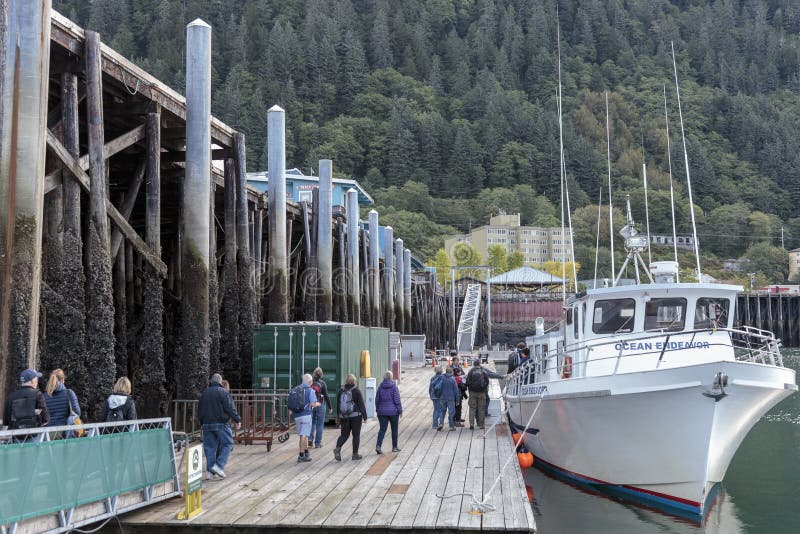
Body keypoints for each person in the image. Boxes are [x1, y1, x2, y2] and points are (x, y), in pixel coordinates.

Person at [198, 373, 241, 479]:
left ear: (211, 382)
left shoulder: (204, 393)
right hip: (221, 423)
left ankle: (210, 472)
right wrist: (237, 420)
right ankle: (219, 466)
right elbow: (230, 408)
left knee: (210, 448)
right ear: (220, 382)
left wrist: (201, 423)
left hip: (206, 424)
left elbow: (200, 410)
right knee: (228, 444)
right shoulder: (223, 392)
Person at [3, 369, 49, 435]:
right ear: (32, 381)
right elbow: (46, 418)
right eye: (36, 379)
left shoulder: (11, 397)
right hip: (34, 436)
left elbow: (6, 421)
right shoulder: (37, 394)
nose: (37, 381)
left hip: (16, 436)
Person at [333, 373, 367, 461]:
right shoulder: (356, 390)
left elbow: (338, 404)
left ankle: (337, 448)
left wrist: (338, 416)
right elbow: (361, 404)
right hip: (356, 417)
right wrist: (365, 416)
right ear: (354, 381)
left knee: (344, 435)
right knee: (356, 435)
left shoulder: (341, 391)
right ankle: (355, 454)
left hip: (344, 417)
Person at [290, 373, 321, 463]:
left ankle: (306, 452)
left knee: (303, 435)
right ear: (310, 381)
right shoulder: (310, 391)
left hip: (296, 416)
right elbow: (313, 404)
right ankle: (301, 455)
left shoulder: (295, 389)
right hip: (306, 415)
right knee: (304, 435)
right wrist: (318, 403)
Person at [43, 369, 80, 433]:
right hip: (66, 432)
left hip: (49, 433)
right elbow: (77, 413)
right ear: (63, 380)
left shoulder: (44, 396)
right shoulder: (69, 393)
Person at [375, 370, 402, 454]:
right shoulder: (394, 387)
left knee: (382, 429)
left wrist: (378, 409)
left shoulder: (380, 387)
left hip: (382, 412)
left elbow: (377, 400)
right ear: (391, 377)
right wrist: (400, 410)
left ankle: (378, 446)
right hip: (393, 412)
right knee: (394, 429)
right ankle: (394, 447)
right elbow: (397, 400)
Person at [465, 360, 496, 429]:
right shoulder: (483, 371)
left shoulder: (471, 371)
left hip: (472, 393)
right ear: (479, 364)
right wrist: (484, 388)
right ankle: (481, 425)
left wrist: (470, 388)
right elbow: (487, 382)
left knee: (472, 408)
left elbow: (467, 382)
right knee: (481, 409)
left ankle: (472, 424)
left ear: (473, 364)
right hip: (482, 393)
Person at [309, 367, 333, 449]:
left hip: (311, 405)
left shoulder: (310, 383)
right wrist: (330, 407)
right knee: (319, 424)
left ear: (313, 374)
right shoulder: (322, 383)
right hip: (320, 404)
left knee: (312, 422)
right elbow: (326, 395)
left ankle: (310, 439)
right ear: (321, 375)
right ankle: (317, 443)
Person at [449, 356, 466, 426]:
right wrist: (458, 378)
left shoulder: (459, 367)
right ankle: (456, 420)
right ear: (453, 361)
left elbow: (463, 373)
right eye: (456, 361)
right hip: (454, 389)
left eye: (458, 361)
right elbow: (449, 377)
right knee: (456, 406)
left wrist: (463, 376)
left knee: (459, 405)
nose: (457, 362)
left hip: (460, 388)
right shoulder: (450, 368)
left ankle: (458, 418)